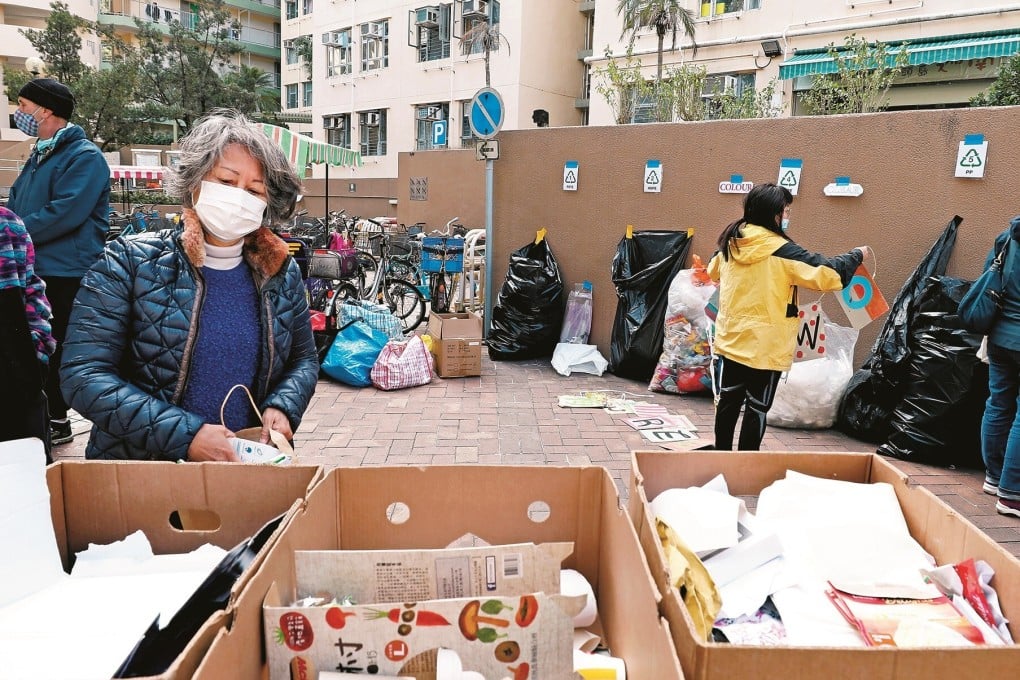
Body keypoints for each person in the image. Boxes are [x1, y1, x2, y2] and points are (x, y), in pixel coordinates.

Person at [60, 110, 318, 461]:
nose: (239, 197)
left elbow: (303, 359)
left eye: (255, 191)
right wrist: (186, 435)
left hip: (244, 466)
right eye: (226, 182)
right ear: (195, 181)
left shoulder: (280, 271)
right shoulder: (129, 261)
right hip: (142, 473)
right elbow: (83, 376)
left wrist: (284, 405)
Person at [706, 183, 868, 450]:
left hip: (732, 339)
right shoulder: (783, 252)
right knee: (757, 407)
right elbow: (827, 274)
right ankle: (746, 464)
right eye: (786, 210)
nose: (787, 216)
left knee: (729, 400)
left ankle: (721, 453)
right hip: (766, 347)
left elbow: (713, 272)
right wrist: (855, 256)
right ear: (774, 214)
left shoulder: (731, 244)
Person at [7, 77, 110, 447]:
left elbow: (65, 212)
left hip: (66, 270)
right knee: (31, 343)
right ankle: (36, 413)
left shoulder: (84, 157)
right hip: (33, 269)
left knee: (58, 343)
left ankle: (57, 417)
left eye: (23, 105)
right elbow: (17, 204)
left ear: (46, 110)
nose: (19, 113)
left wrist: (14, 232)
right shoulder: (39, 155)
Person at [0, 207, 56, 458]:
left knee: (25, 485)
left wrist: (37, 349)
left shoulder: (6, 223)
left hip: (15, 382)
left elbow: (32, 290)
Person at [978, 216, 1020, 518]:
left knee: (999, 403)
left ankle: (994, 478)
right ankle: (1012, 494)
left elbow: (987, 276)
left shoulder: (1007, 236)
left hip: (999, 337)